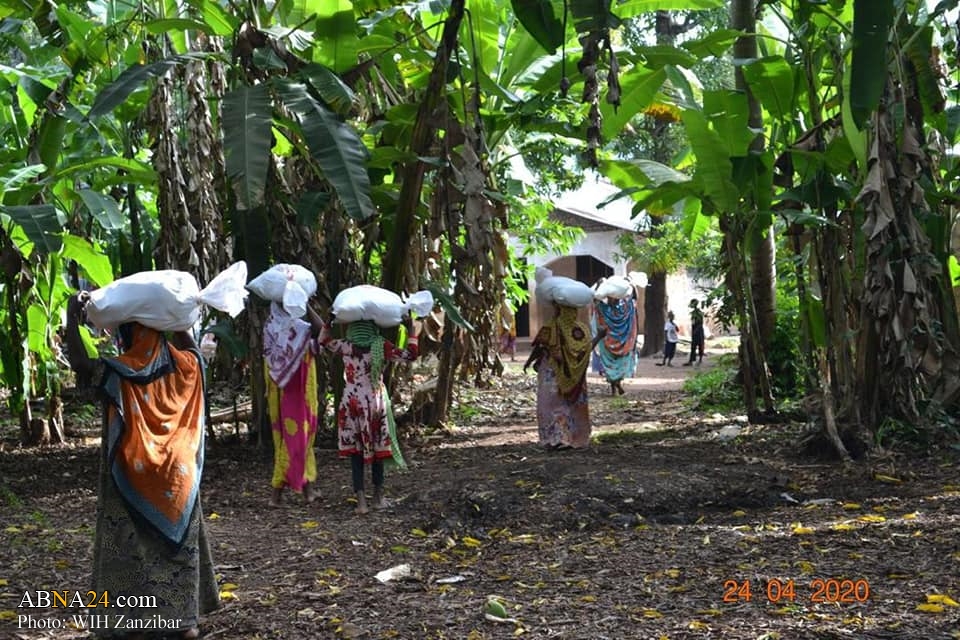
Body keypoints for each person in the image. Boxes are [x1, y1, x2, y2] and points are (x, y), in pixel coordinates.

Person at [64, 292, 219, 640]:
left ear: (129, 334)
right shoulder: (188, 366)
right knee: (178, 549)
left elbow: (81, 364)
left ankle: (131, 621)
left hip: (132, 472)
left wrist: (72, 317)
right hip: (178, 476)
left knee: (129, 548)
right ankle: (184, 623)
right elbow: (193, 348)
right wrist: (177, 317)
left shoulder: (119, 370)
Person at [319, 314, 419, 514]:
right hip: (374, 402)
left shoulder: (345, 345)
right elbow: (411, 355)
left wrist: (329, 321)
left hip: (350, 402)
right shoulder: (381, 345)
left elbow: (323, 340)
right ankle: (378, 498)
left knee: (356, 453)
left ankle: (361, 502)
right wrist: (411, 330)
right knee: (377, 449)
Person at [264, 302, 324, 506]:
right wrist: (307, 304)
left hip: (283, 390)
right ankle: (276, 493)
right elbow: (322, 331)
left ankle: (308, 490)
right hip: (296, 390)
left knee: (298, 438)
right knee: (296, 439)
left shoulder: (271, 326)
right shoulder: (297, 328)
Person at [524, 302, 606, 449]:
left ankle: (556, 439)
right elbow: (586, 350)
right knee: (571, 407)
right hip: (575, 378)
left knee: (551, 405)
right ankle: (573, 437)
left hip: (551, 373)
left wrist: (529, 362)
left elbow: (539, 347)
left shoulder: (551, 327)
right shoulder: (581, 330)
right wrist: (599, 337)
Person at [594, 292, 639, 395]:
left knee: (615, 365)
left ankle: (616, 387)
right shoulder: (625, 309)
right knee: (612, 365)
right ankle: (616, 387)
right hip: (618, 341)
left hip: (610, 341)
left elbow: (634, 300)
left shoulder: (607, 309)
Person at [684, 299, 705, 366]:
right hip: (694, 331)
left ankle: (700, 360)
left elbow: (700, 324)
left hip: (699, 332)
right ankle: (692, 360)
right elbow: (693, 323)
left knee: (700, 345)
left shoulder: (699, 313)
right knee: (693, 346)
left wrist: (695, 331)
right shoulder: (693, 313)